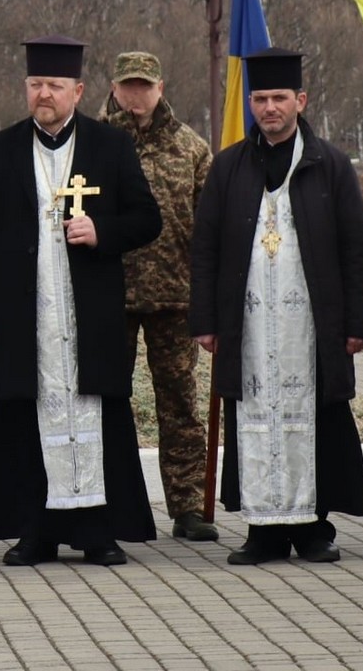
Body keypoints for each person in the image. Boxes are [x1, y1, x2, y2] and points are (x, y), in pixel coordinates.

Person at [0, 35, 162, 566]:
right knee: (26, 418)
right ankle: (36, 532)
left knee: (96, 413)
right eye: (36, 85)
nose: (44, 94)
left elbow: (149, 220)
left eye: (54, 85)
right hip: (22, 315)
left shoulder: (110, 146)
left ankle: (99, 531)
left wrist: (102, 231)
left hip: (88, 313)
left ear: (77, 90)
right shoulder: (0, 149)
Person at [189, 48, 363, 565]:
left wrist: (359, 322)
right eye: (260, 98)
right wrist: (204, 320)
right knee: (252, 417)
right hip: (246, 324)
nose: (269, 107)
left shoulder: (330, 165)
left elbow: (354, 250)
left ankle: (313, 528)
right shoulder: (228, 167)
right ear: (250, 102)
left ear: (300, 100)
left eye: (279, 98)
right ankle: (262, 529)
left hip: (311, 326)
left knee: (314, 417)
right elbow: (205, 248)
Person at [98, 51, 218, 542]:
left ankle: (187, 506)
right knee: (107, 401)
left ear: (160, 88)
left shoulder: (189, 148)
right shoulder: (94, 144)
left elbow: (210, 227)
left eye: (144, 86)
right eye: (128, 86)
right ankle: (108, 502)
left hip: (175, 297)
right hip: (110, 295)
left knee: (179, 403)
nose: (136, 96)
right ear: (113, 87)